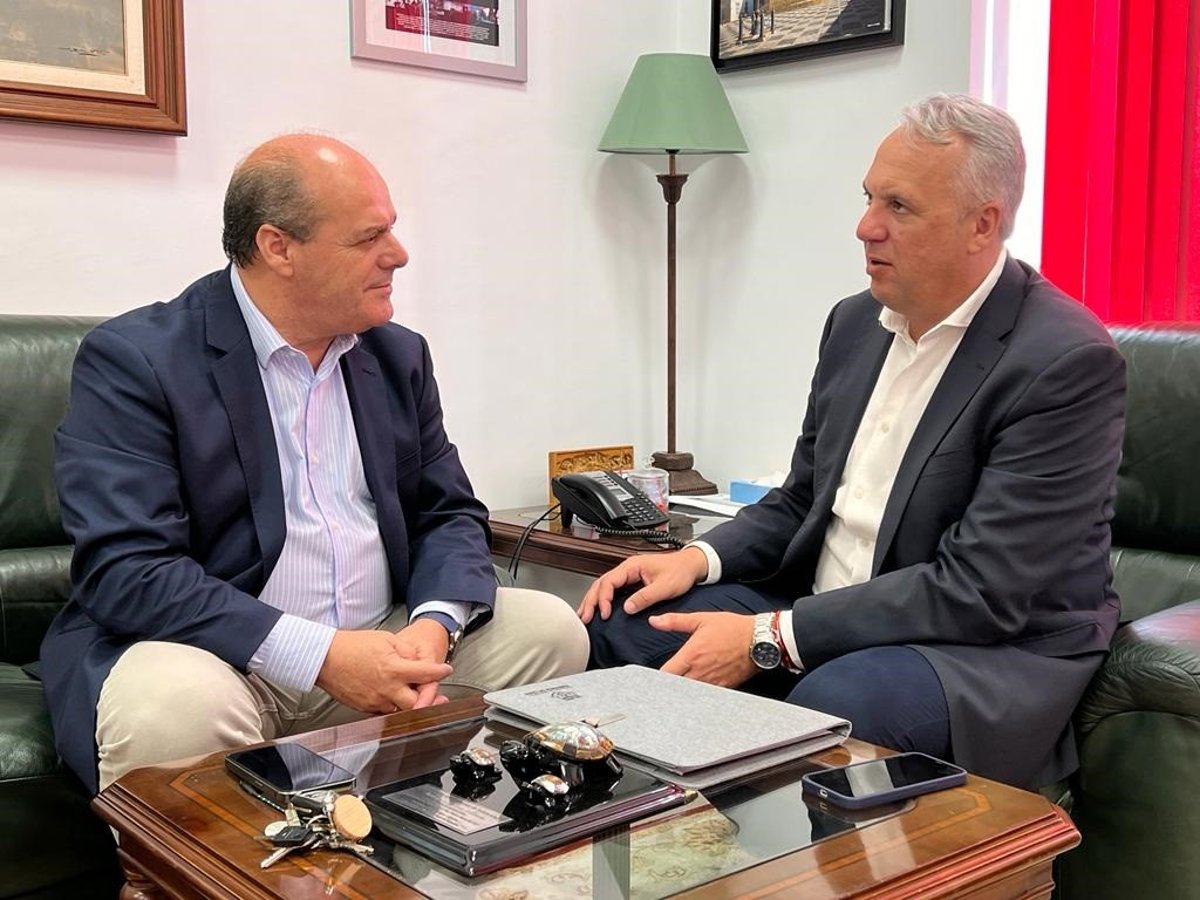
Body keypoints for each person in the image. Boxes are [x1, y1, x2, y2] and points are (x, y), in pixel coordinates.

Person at [579, 94, 1126, 790]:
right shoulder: (855, 324)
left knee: (839, 704)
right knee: (627, 626)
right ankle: (653, 839)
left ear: (981, 224)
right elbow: (801, 499)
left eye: (899, 207)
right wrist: (695, 559)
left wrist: (770, 638)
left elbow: (980, 590)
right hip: (826, 606)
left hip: (974, 648)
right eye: (870, 198)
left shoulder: (1064, 361)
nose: (866, 227)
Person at [41, 133, 589, 795]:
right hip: (222, 659)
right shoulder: (139, 361)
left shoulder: (397, 356)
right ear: (279, 248)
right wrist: (321, 655)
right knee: (174, 704)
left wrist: (434, 625)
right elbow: (127, 569)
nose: (398, 254)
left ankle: (444, 836)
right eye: (369, 237)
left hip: (382, 638)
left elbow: (447, 513)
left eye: (392, 230)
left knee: (550, 631)